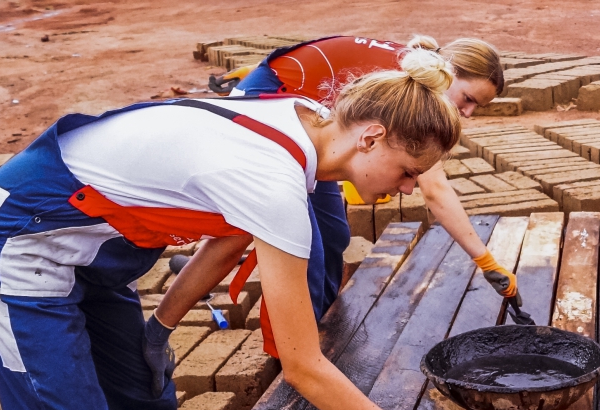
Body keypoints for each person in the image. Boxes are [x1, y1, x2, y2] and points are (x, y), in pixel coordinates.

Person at [0, 48, 464, 410]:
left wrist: (159, 330)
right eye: (408, 173)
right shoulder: (273, 178)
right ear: (372, 137)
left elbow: (228, 240)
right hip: (21, 244)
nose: (408, 190)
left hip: (90, 257)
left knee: (145, 408)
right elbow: (303, 365)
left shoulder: (304, 121)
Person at [184, 35, 516, 323]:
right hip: (268, 114)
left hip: (318, 129)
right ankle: (299, 352)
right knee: (304, 248)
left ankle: (326, 324)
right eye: (469, 99)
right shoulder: (411, 90)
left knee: (334, 236)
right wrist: (485, 261)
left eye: (478, 107)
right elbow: (435, 190)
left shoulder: (416, 76)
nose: (468, 112)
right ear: (450, 70)